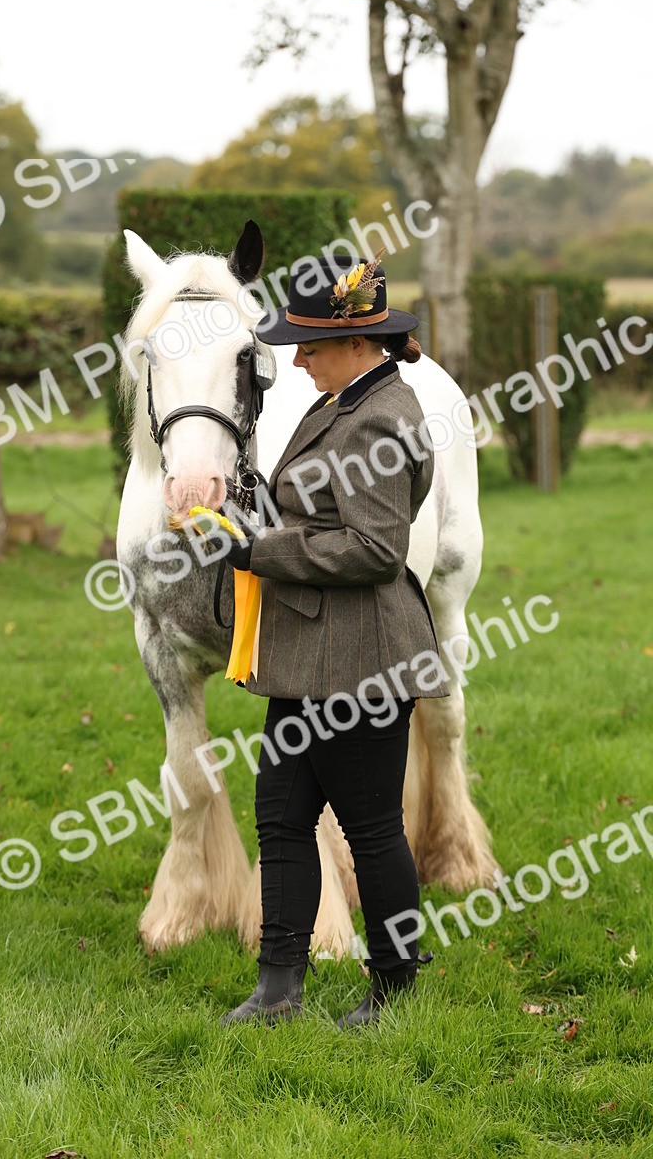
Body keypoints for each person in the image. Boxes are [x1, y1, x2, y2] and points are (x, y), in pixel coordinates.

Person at [219, 253, 449, 1029]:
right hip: (306, 659)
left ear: (356, 342)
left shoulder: (383, 416)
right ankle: (278, 988)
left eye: (308, 346)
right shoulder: (343, 397)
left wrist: (259, 552)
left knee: (371, 828)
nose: (296, 359)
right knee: (281, 818)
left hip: (363, 661)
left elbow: (375, 550)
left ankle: (395, 989)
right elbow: (313, 508)